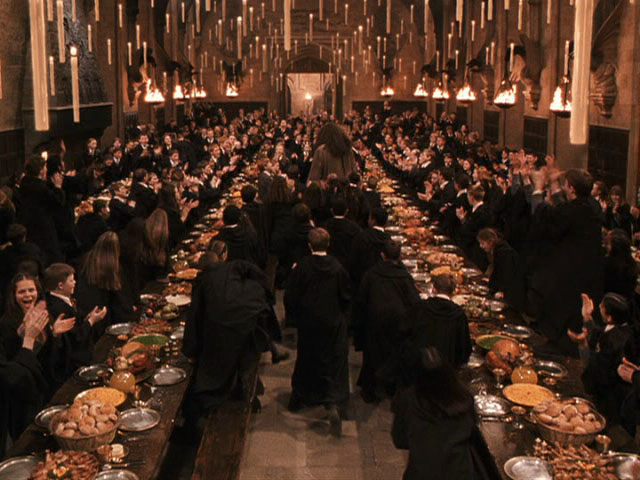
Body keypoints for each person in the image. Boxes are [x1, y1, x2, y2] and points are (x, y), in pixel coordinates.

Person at [182, 241, 274, 428]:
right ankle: (246, 392)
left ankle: (202, 414)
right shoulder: (234, 267)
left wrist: (190, 350)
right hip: (249, 320)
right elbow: (256, 273)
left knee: (213, 369)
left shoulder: (203, 281)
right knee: (241, 356)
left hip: (227, 328)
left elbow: (194, 318)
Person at [285, 228, 351, 436]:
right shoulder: (338, 268)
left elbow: (291, 295)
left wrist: (294, 317)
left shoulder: (302, 267)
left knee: (307, 358)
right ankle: (332, 400)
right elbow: (346, 295)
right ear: (328, 244)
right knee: (333, 360)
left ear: (309, 245)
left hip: (309, 322)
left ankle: (299, 396)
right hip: (332, 322)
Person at [391, 347, 480, 480]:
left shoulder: (408, 400)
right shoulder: (465, 398)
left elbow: (400, 440)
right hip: (459, 473)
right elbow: (472, 434)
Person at [353, 240, 420, 403]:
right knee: (394, 354)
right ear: (399, 256)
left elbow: (361, 299)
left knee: (371, 356)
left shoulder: (371, 274)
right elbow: (414, 302)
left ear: (382, 255)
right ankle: (391, 387)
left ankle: (369, 390)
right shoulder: (404, 276)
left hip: (375, 320)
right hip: (398, 323)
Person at [0, 273, 75, 395]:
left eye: (31, 290)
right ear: (14, 296)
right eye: (22, 292)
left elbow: (50, 354)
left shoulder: (42, 313)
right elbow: (13, 363)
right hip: (28, 385)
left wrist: (54, 334)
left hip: (48, 379)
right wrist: (24, 337)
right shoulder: (6, 322)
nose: (27, 295)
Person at [568, 293, 633, 422]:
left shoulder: (614, 342)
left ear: (609, 317)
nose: (598, 306)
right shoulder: (620, 330)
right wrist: (587, 317)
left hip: (609, 400)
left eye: (602, 306)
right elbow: (599, 335)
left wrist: (583, 345)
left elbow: (596, 369)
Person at [399, 274, 472, 372]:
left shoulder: (420, 307)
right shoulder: (459, 314)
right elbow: (464, 349)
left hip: (419, 366)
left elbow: (404, 332)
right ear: (453, 292)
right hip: (446, 370)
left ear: (433, 289)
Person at [43, 263, 106, 370]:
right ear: (60, 286)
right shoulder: (57, 308)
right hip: (74, 362)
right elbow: (76, 337)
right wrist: (91, 321)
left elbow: (77, 321)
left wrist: (88, 317)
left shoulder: (63, 299)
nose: (75, 282)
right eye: (71, 280)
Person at [75, 232, 134, 339]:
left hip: (87, 312)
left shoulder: (86, 261)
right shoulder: (112, 267)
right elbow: (120, 298)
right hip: (103, 315)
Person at [476, 228, 521, 308]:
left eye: (482, 243)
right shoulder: (497, 250)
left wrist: (502, 291)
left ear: (490, 242)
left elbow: (507, 273)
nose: (480, 246)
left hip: (511, 290)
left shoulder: (504, 253)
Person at [348, 207, 390, 288]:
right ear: (386, 223)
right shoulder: (389, 241)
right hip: (382, 284)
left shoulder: (360, 237)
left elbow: (353, 261)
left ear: (372, 221)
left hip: (362, 281)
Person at [322, 196, 362, 271]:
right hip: (348, 264)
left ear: (331, 211)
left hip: (328, 263)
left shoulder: (325, 226)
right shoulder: (354, 228)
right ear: (346, 211)